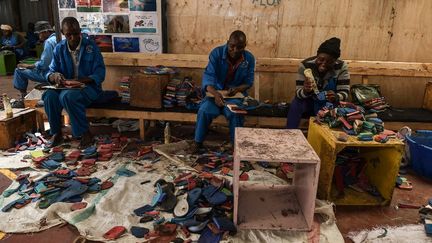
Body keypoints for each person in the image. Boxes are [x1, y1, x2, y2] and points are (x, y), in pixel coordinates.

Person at [44, 17, 105, 148]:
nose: (73, 37)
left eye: (76, 33)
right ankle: (56, 133)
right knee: (49, 96)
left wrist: (80, 80)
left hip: (89, 88)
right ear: (62, 33)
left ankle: (85, 133)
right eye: (68, 35)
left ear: (80, 31)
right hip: (65, 88)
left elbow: (100, 73)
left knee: (68, 96)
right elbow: (50, 70)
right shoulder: (59, 49)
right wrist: (54, 76)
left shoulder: (91, 47)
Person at [193, 30, 255, 149]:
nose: (235, 50)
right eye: (232, 46)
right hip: (214, 94)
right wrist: (216, 94)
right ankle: (197, 143)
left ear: (245, 46)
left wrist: (237, 89)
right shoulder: (216, 54)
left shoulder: (249, 59)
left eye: (240, 47)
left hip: (235, 97)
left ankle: (236, 146)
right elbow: (208, 79)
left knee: (235, 113)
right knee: (204, 110)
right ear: (227, 43)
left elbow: (248, 82)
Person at [286, 37, 350, 129]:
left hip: (329, 103)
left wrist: (336, 96)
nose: (323, 64)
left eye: (329, 62)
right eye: (321, 59)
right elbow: (298, 93)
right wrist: (305, 91)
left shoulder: (341, 67)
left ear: (335, 61)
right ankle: (290, 134)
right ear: (317, 56)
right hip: (310, 101)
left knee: (339, 110)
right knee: (296, 104)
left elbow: (344, 92)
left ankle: (329, 137)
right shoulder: (305, 65)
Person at [12, 21, 57, 107]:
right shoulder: (59, 38)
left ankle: (22, 98)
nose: (39, 37)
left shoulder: (49, 42)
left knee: (19, 70)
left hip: (50, 74)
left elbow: (44, 64)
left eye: (40, 34)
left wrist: (30, 66)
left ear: (46, 31)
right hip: (58, 72)